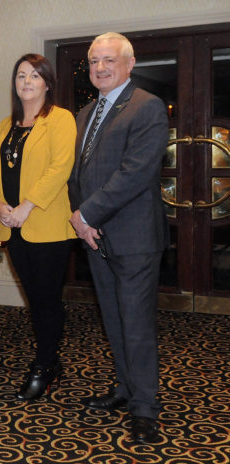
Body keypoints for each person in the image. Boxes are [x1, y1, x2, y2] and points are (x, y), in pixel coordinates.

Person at [67, 32, 168, 444]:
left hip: (135, 236)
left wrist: (86, 214)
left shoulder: (147, 107)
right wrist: (84, 221)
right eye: (94, 62)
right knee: (112, 318)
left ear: (129, 64)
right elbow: (78, 175)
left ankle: (145, 405)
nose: (101, 68)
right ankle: (126, 389)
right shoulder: (86, 112)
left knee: (137, 323)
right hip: (96, 236)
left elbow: (135, 173)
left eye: (109, 60)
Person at [0, 54, 76, 401]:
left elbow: (59, 168)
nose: (26, 81)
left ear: (47, 83)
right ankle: (50, 360)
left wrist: (26, 207)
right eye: (21, 75)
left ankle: (45, 364)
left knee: (46, 300)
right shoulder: (5, 125)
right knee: (34, 299)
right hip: (12, 227)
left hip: (47, 226)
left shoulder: (60, 119)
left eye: (35, 76)